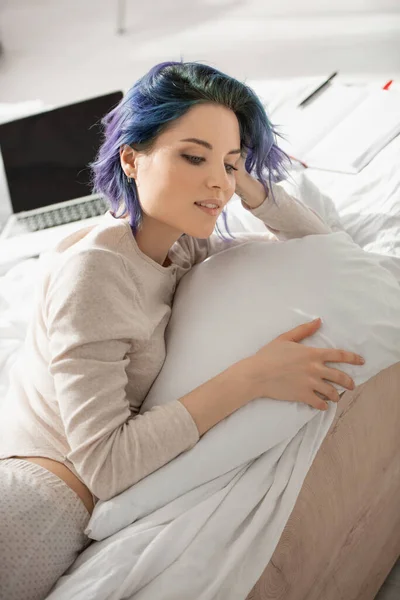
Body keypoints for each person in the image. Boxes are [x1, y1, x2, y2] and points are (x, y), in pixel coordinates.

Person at [0, 60, 365, 600]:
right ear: (131, 158)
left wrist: (252, 190)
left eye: (231, 163)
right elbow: (105, 464)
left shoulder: (181, 244)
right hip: (37, 503)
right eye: (194, 157)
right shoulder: (97, 273)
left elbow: (326, 251)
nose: (217, 181)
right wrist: (252, 377)